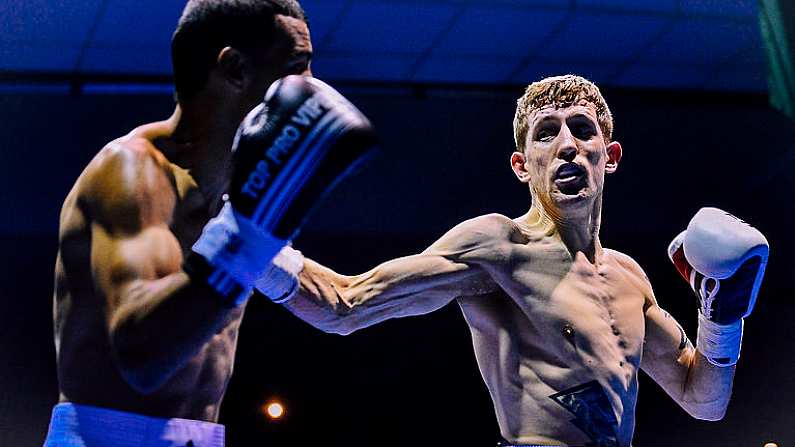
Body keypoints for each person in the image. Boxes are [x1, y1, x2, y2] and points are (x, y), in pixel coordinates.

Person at [269, 75, 769, 447]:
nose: (568, 145)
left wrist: (719, 318)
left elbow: (704, 401)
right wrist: (246, 241)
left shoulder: (629, 278)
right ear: (522, 165)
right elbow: (345, 304)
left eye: (581, 129)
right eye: (546, 134)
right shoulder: (498, 248)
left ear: (609, 155)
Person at [45, 0, 377, 445]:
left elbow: (340, 302)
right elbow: (143, 357)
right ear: (235, 68)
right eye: (296, 67)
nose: (312, 87)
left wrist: (472, 263)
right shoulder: (130, 173)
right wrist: (251, 231)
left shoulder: (237, 200)